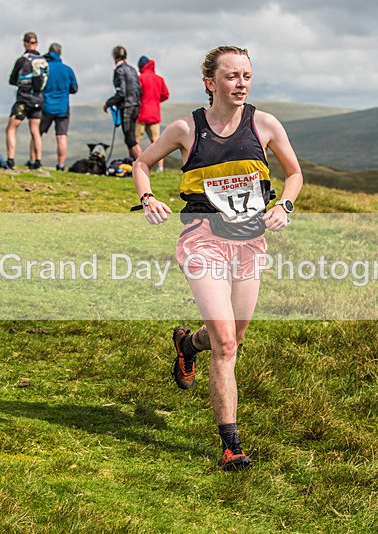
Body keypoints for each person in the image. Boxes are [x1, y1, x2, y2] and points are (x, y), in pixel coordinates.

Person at [131, 45, 303, 471]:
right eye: (231, 76)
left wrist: (283, 205)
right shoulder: (184, 130)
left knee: (231, 339)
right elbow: (142, 164)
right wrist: (147, 196)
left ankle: (187, 345)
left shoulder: (264, 124)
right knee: (226, 344)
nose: (241, 83)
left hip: (249, 244)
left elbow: (295, 174)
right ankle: (231, 446)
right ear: (211, 83)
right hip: (202, 238)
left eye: (246, 75)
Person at [6, 32, 45, 170]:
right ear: (37, 43)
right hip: (38, 99)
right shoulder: (43, 61)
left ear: (24, 43)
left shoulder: (22, 60)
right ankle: (38, 161)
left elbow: (12, 79)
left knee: (11, 128)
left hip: (24, 100)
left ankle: (10, 160)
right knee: (35, 131)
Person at [40, 43, 78, 171]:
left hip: (46, 106)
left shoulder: (45, 68)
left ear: (49, 51)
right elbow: (74, 88)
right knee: (61, 137)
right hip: (62, 108)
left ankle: (35, 160)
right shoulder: (67, 70)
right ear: (60, 54)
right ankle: (61, 165)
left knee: (37, 134)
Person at [103, 46, 142, 160]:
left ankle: (142, 164)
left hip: (127, 107)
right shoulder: (133, 69)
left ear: (114, 57)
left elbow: (122, 92)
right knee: (131, 137)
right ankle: (133, 165)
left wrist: (108, 103)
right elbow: (138, 89)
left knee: (130, 140)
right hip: (136, 105)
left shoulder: (119, 70)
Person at [136, 55, 170, 172]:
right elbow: (165, 94)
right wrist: (156, 101)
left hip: (141, 113)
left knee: (136, 141)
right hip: (154, 113)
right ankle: (160, 167)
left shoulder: (140, 78)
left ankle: (138, 166)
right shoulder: (159, 79)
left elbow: (136, 94)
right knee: (157, 142)